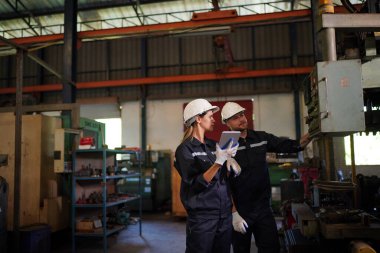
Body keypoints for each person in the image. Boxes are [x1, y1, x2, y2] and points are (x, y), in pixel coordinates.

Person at [220, 102, 311, 253]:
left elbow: (292, 145)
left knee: (271, 248)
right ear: (227, 123)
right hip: (241, 212)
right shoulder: (226, 143)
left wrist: (313, 132)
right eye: (235, 118)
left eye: (242, 114)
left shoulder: (260, 138)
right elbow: (223, 184)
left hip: (263, 209)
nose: (241, 119)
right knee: (240, 249)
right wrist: (234, 213)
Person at [174, 98, 238, 253]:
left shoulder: (213, 145)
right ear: (198, 119)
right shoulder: (184, 150)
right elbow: (196, 183)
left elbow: (223, 181)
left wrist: (230, 161)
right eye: (210, 116)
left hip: (223, 215)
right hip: (203, 218)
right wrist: (218, 162)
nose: (214, 120)